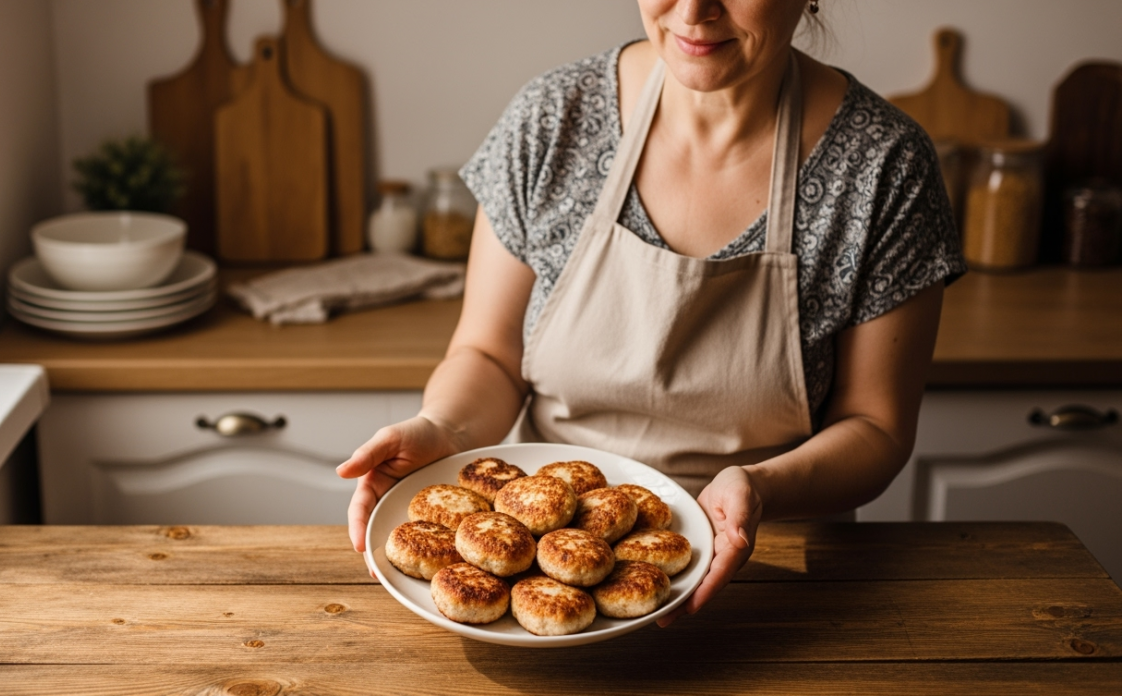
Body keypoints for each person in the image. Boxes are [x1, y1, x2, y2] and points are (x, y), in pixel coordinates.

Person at [337, 0, 964, 623]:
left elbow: (875, 428)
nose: (694, 10)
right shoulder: (551, 121)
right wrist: (446, 430)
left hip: (774, 588)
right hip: (536, 571)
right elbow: (488, 354)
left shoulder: (886, 166)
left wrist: (762, 488)